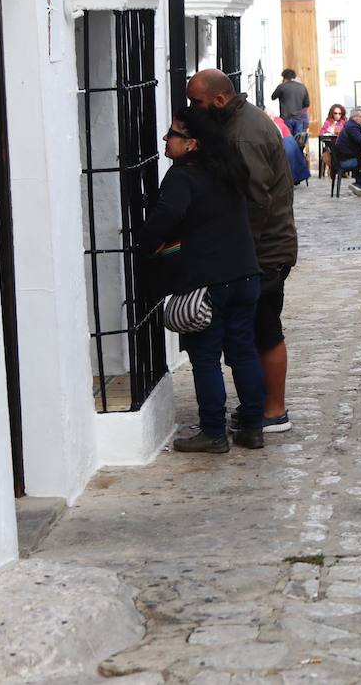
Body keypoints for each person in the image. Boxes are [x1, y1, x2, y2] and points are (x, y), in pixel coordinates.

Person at [138, 106, 266, 453]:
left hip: (208, 280)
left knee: (205, 357)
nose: (165, 139)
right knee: (243, 352)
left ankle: (213, 431)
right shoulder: (228, 170)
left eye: (173, 134)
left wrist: (142, 245)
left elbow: (167, 216)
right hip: (245, 273)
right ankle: (253, 426)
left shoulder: (183, 176)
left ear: (192, 143)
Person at [186, 69, 298, 436]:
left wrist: (236, 250)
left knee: (265, 330)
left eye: (197, 103)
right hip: (261, 248)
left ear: (219, 100)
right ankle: (260, 406)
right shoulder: (239, 123)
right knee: (254, 331)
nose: (193, 110)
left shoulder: (245, 134)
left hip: (263, 251)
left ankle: (273, 410)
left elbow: (256, 201)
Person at [271, 69, 310, 138]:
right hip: (299, 118)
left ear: (284, 77)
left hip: (286, 118)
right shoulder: (302, 87)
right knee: (298, 140)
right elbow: (307, 104)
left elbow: (273, 97)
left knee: (288, 139)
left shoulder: (282, 87)